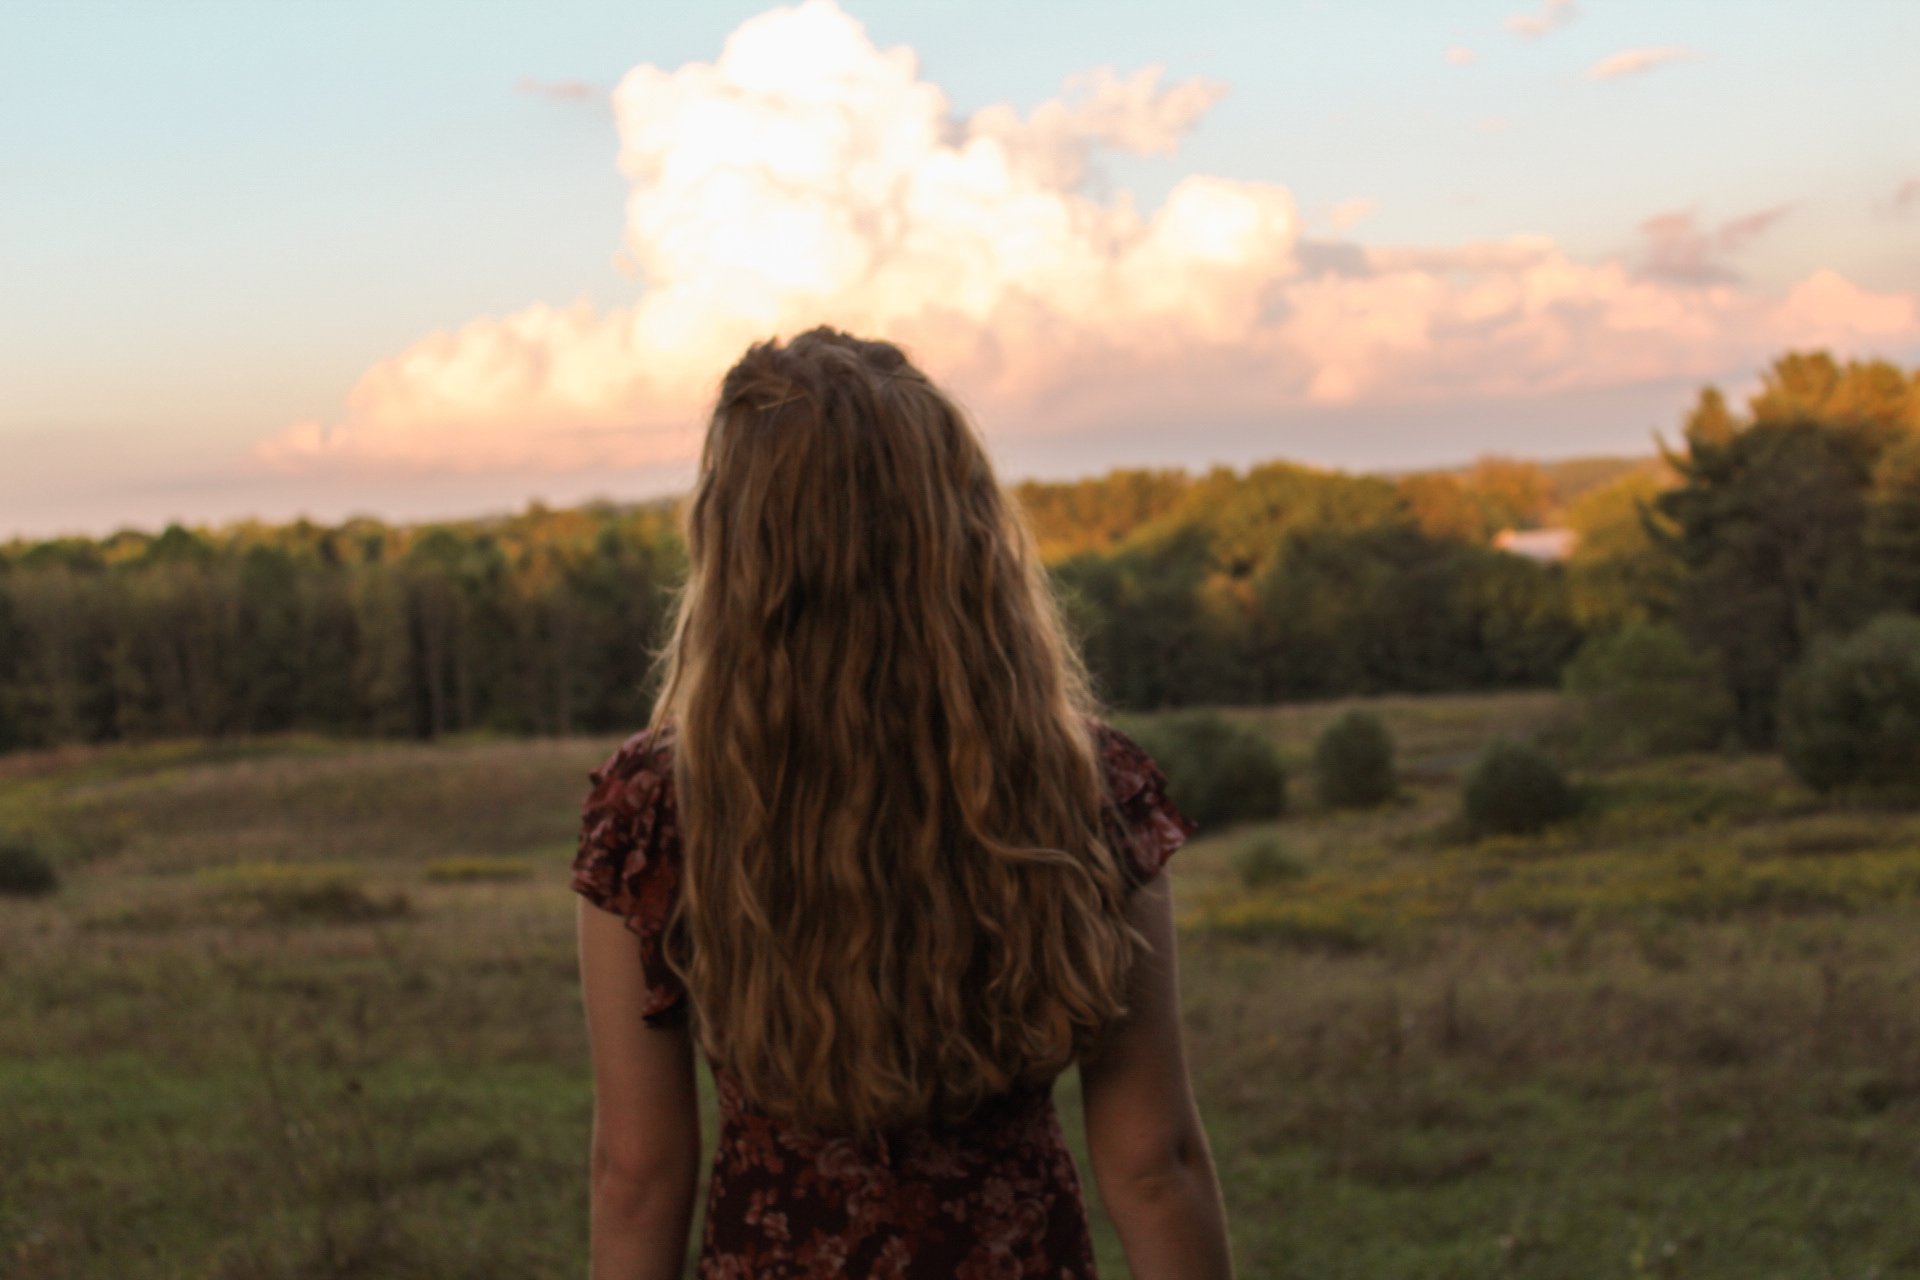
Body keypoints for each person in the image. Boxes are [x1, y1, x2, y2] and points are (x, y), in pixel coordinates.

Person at [571, 327, 1234, 1279]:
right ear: (960, 532)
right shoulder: (1084, 789)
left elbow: (636, 1173)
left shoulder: (657, 810)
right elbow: (1154, 1164)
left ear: (738, 546)